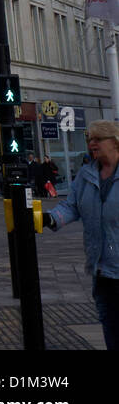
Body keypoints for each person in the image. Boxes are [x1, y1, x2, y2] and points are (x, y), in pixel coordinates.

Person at [44, 120, 119, 351]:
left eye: (98, 139)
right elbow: (72, 206)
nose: (91, 143)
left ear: (115, 142)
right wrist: (50, 218)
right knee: (111, 326)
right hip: (101, 267)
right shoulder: (87, 174)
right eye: (89, 139)